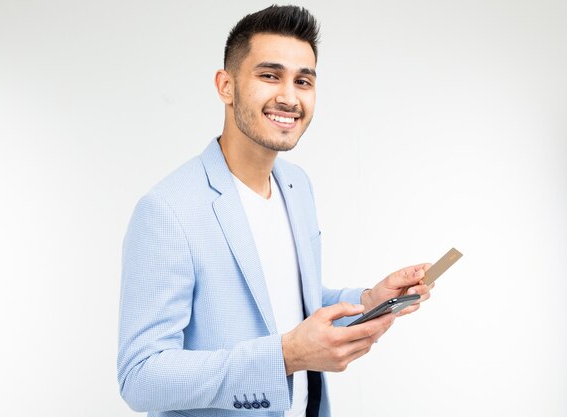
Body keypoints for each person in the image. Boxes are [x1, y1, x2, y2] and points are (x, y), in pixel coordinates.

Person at [118, 5, 433, 417]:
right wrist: (284, 356)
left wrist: (369, 300)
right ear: (226, 85)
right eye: (270, 75)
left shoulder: (296, 185)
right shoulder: (167, 211)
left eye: (303, 81)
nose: (288, 96)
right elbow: (140, 378)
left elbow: (283, 304)